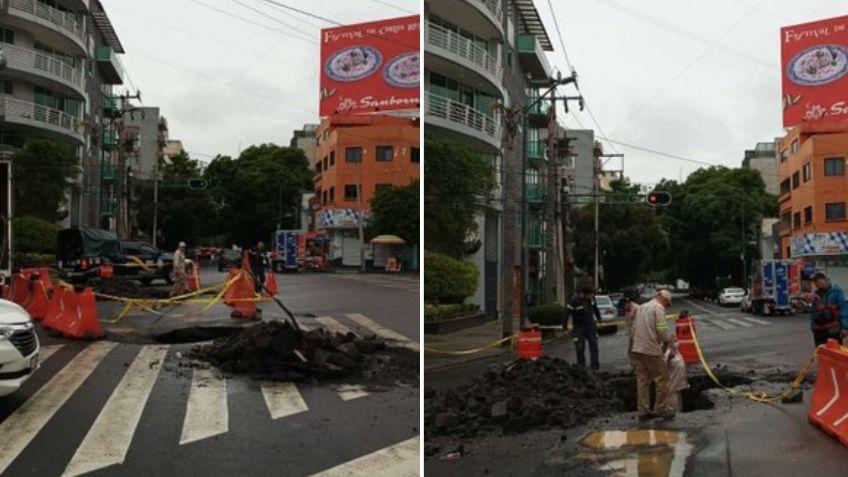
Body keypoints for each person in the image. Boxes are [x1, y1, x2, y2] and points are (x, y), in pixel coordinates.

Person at [631, 289, 675, 420]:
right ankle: (661, 409)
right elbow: (661, 328)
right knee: (663, 379)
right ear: (664, 299)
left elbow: (634, 329)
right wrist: (667, 341)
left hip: (638, 348)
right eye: (667, 304)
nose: (666, 306)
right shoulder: (658, 308)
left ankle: (643, 410)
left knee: (643, 380)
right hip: (650, 349)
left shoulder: (642, 307)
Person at [566, 286, 602, 370]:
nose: (591, 296)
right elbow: (566, 313)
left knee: (594, 345)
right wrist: (565, 327)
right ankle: (582, 367)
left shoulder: (591, 299)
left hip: (591, 326)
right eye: (590, 294)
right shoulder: (574, 301)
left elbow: (595, 309)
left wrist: (599, 318)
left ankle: (594, 366)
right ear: (583, 294)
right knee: (580, 348)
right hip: (578, 328)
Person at [809, 272, 848, 346]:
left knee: (835, 351)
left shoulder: (837, 291)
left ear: (825, 280)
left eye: (818, 281)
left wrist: (845, 327)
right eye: (815, 282)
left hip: (833, 329)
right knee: (821, 351)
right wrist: (813, 327)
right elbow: (813, 313)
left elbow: (843, 309)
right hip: (819, 331)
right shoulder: (815, 295)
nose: (816, 284)